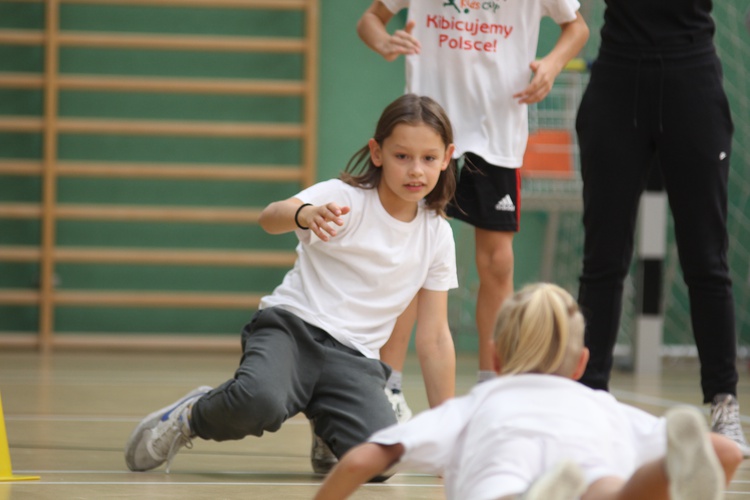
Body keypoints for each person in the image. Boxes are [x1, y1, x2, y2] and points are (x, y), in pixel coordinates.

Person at [123, 93, 459, 474]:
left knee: (379, 464)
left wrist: (446, 429)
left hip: (356, 360)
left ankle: (327, 428)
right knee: (258, 402)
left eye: (429, 158)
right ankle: (190, 416)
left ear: (447, 158)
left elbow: (434, 337)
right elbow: (270, 217)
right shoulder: (343, 198)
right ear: (377, 153)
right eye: (402, 156)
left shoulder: (438, 236)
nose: (416, 170)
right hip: (292, 330)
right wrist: (304, 214)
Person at [355, 0, 590, 419]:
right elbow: (370, 20)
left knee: (497, 262)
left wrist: (553, 64)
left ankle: (492, 385)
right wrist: (383, 42)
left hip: (497, 130)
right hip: (425, 138)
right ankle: (386, 382)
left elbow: (577, 29)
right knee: (411, 258)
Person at [314, 283, 743, 500]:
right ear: (580, 364)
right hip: (587, 459)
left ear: (496, 359)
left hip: (501, 475)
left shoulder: (479, 404)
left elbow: (363, 459)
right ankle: (637, 480)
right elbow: (722, 451)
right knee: (607, 486)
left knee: (500, 488)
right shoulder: (598, 403)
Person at [574, 1, 750, 456]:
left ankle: (723, 400)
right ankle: (590, 398)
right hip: (617, 77)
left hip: (690, 78)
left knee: (706, 258)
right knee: (603, 258)